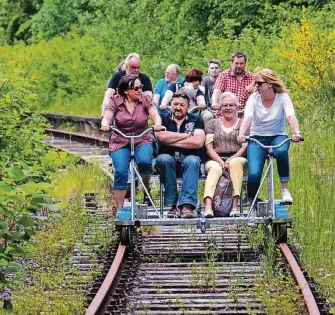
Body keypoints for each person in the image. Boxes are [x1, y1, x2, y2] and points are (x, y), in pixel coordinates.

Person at [237, 68, 303, 209]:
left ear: (269, 84)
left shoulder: (283, 97)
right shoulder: (254, 98)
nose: (257, 86)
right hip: (257, 138)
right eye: (256, 83)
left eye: (260, 83)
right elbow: (247, 117)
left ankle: (285, 190)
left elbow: (290, 115)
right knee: (254, 173)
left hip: (278, 136)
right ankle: (252, 202)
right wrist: (242, 134)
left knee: (280, 152)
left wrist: (296, 132)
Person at [101, 75, 162, 212]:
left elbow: (155, 114)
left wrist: (157, 124)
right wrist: (105, 124)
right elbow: (107, 116)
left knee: (145, 162)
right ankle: (120, 209)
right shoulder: (115, 100)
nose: (140, 90)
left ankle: (146, 187)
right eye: (136, 88)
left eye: (141, 87)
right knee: (121, 172)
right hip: (120, 140)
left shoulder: (146, 99)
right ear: (126, 91)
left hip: (142, 138)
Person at [155, 91, 205, 219]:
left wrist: (171, 139)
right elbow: (160, 137)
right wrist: (187, 136)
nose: (178, 107)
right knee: (164, 159)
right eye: (175, 104)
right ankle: (173, 203)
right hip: (168, 162)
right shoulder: (162, 118)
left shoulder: (196, 119)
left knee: (193, 160)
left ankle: (186, 205)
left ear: (188, 106)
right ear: (171, 104)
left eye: (182, 105)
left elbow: (198, 142)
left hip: (188, 164)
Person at [203, 92, 247, 218]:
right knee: (215, 168)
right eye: (224, 105)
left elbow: (245, 146)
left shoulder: (243, 123)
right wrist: (221, 162)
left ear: (237, 107)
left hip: (238, 158)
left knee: (235, 163)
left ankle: (235, 205)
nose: (228, 108)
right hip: (215, 158)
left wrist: (231, 159)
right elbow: (208, 147)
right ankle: (208, 206)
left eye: (231, 105)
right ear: (220, 108)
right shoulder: (212, 123)